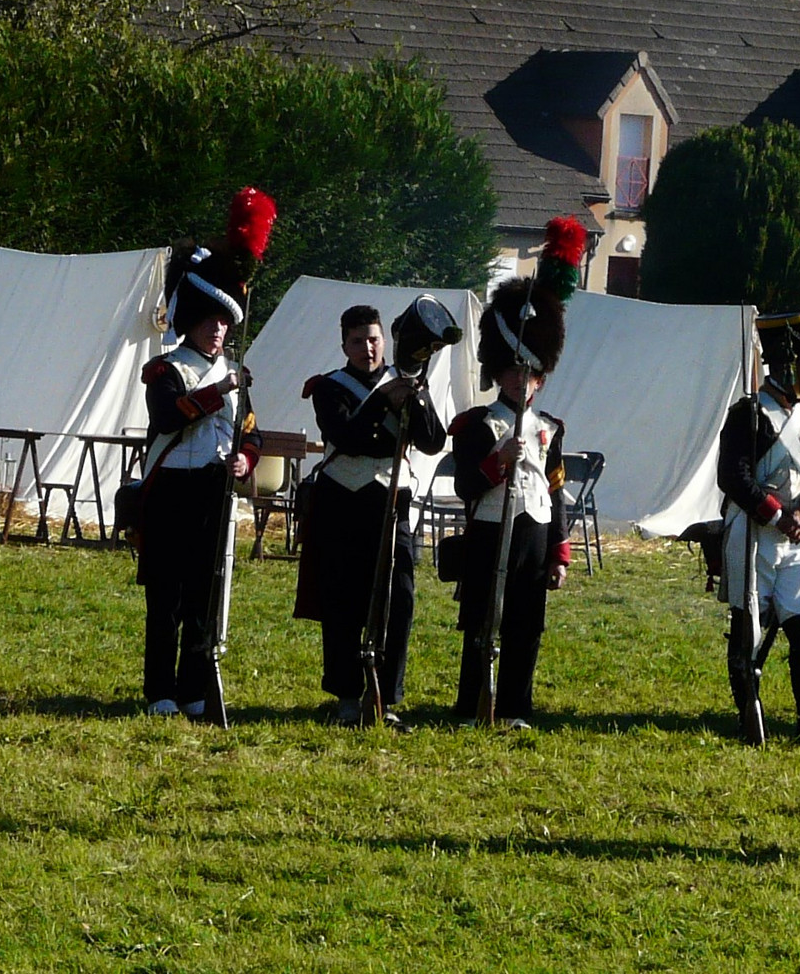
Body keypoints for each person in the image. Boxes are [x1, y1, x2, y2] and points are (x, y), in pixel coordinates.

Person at [135, 188, 270, 720]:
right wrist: (222, 390)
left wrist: (247, 459)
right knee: (165, 597)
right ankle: (159, 691)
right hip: (172, 488)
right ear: (191, 318)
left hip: (215, 487)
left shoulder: (233, 374)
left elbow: (252, 431)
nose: (218, 330)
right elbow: (170, 416)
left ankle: (193, 687)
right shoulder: (165, 369)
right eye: (211, 320)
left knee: (202, 596)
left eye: (225, 323)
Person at [295, 302, 447, 727]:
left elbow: (432, 441)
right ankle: (347, 693)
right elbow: (345, 435)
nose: (368, 348)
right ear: (344, 343)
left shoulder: (404, 380)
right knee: (343, 600)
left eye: (374, 339)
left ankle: (387, 695)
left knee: (398, 599)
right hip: (343, 498)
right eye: (359, 340)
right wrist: (383, 402)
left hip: (392, 501)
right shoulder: (330, 387)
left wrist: (417, 398)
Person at [448, 246, 576, 730]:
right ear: (499, 373)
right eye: (515, 371)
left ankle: (516, 706)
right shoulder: (477, 425)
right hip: (489, 527)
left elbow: (556, 489)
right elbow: (466, 485)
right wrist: (497, 463)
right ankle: (473, 702)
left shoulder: (551, 429)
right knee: (484, 620)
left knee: (526, 624)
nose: (523, 381)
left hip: (535, 530)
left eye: (531, 374)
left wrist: (560, 551)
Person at [718, 294, 800, 746]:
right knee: (749, 626)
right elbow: (734, 476)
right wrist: (777, 515)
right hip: (752, 536)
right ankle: (748, 709)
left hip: (798, 538)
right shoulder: (748, 415)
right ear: (785, 366)